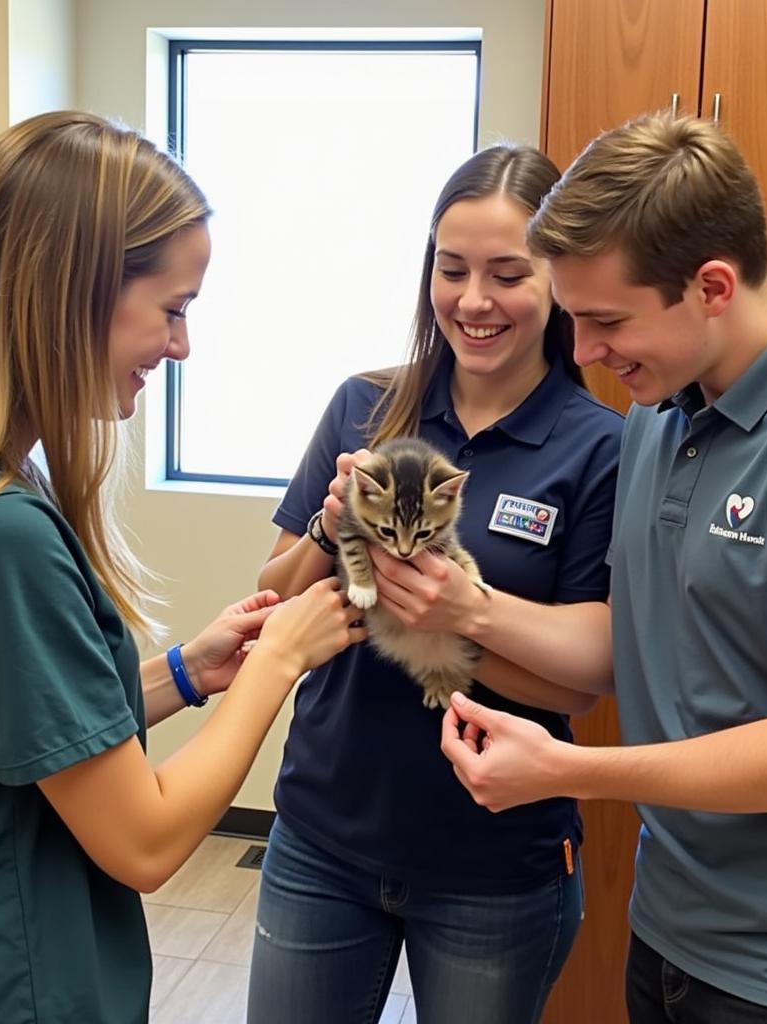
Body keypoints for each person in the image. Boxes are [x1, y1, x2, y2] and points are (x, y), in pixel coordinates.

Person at [0, 110, 364, 1024]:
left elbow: (13, 737)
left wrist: (186, 674)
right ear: (69, 290)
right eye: (173, 309)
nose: (181, 346)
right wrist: (279, 662)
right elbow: (146, 840)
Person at [441, 112, 767, 1022]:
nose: (584, 352)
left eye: (605, 321)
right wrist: (443, 611)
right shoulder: (659, 419)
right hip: (668, 928)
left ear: (711, 286)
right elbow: (626, 659)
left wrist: (570, 773)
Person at [245, 144, 624, 1024]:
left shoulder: (601, 447)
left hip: (492, 864)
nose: (474, 300)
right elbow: (273, 602)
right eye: (451, 270)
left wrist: (459, 617)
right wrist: (327, 524)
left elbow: (583, 682)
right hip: (321, 839)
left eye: (507, 273)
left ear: (558, 280)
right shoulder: (363, 405)